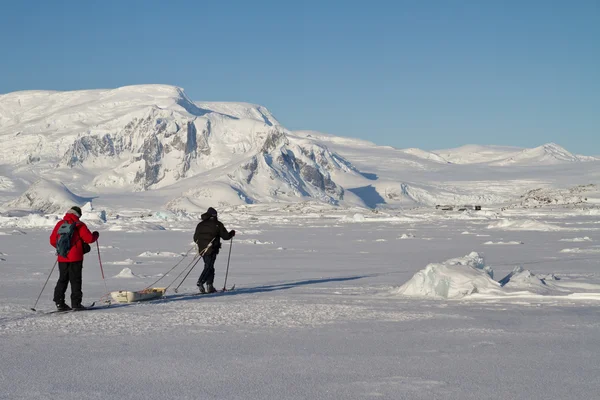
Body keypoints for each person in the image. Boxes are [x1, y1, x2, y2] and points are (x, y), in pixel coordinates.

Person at [49, 206, 99, 310]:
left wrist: (62, 249)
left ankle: (59, 303)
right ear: (78, 215)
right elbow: (89, 239)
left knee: (62, 279)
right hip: (76, 258)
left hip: (62, 257)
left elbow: (52, 240)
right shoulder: (79, 225)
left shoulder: (60, 224)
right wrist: (95, 235)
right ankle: (76, 304)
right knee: (75, 280)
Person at [193, 207, 235, 293]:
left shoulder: (200, 224)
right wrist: (231, 233)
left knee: (210, 266)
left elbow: (195, 238)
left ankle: (210, 286)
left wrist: (202, 244)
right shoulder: (217, 224)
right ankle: (201, 282)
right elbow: (225, 237)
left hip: (202, 249)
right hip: (212, 248)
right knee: (209, 266)